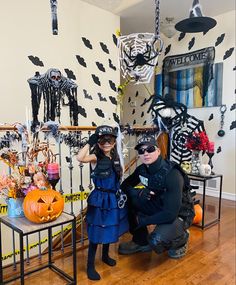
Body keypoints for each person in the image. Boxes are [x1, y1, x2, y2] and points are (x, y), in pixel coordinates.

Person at [118, 134, 193, 259]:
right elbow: (125, 186)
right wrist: (138, 193)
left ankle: (181, 238)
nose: (145, 153)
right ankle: (140, 241)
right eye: (141, 151)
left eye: (150, 149)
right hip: (157, 205)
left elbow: (170, 213)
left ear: (158, 151)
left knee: (157, 241)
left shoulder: (172, 174)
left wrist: (144, 221)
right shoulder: (142, 169)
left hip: (178, 214)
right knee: (127, 200)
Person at [77, 125, 128, 280]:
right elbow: (80, 157)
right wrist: (90, 141)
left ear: (114, 142)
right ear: (98, 142)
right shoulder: (95, 157)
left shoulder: (116, 157)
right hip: (100, 198)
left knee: (110, 227)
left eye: (110, 140)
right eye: (102, 140)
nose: (106, 143)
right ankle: (90, 265)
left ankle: (105, 255)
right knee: (97, 230)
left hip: (113, 198)